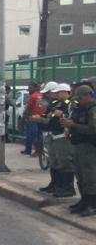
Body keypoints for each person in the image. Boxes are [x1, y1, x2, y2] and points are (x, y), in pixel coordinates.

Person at [61, 84, 94, 216]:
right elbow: (74, 121)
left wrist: (73, 125)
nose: (78, 101)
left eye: (80, 98)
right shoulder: (80, 109)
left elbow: (92, 129)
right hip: (77, 144)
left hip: (89, 147)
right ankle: (84, 200)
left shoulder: (92, 110)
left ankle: (92, 203)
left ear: (87, 95)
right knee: (80, 175)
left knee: (90, 175)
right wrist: (68, 126)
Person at [39, 83, 75, 198]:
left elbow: (72, 117)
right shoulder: (56, 103)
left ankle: (67, 187)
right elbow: (49, 115)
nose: (57, 94)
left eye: (59, 92)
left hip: (62, 135)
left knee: (65, 162)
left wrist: (62, 114)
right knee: (54, 161)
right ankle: (56, 184)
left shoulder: (71, 104)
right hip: (53, 134)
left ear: (65, 92)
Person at [22, 82, 44, 154]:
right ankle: (40, 150)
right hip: (41, 117)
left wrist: (24, 116)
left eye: (30, 88)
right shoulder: (41, 95)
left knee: (31, 134)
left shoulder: (32, 96)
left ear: (35, 88)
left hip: (32, 118)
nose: (29, 89)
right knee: (39, 134)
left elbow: (29, 107)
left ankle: (30, 150)